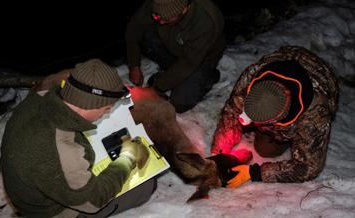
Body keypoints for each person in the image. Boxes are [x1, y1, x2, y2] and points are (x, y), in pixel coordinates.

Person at [0, 59, 155, 218]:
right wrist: (127, 157)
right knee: (146, 186)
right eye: (107, 108)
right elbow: (95, 200)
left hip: (33, 190)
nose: (107, 113)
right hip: (49, 212)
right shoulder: (60, 147)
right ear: (92, 104)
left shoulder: (38, 99)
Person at [211, 46, 339, 187]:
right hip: (284, 63)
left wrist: (254, 173)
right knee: (256, 141)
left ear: (278, 119)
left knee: (267, 150)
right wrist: (220, 150)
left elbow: (309, 167)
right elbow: (231, 112)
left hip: (317, 89)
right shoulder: (251, 77)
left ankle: (289, 137)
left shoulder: (315, 114)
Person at [125, 0, 225, 113]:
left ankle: (208, 77)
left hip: (201, 58)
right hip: (175, 42)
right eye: (157, 16)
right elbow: (134, 26)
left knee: (179, 103)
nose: (161, 21)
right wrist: (134, 65)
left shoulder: (205, 22)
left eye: (166, 19)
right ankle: (170, 73)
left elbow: (187, 63)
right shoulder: (161, 4)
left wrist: (157, 88)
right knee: (146, 34)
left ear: (184, 9)